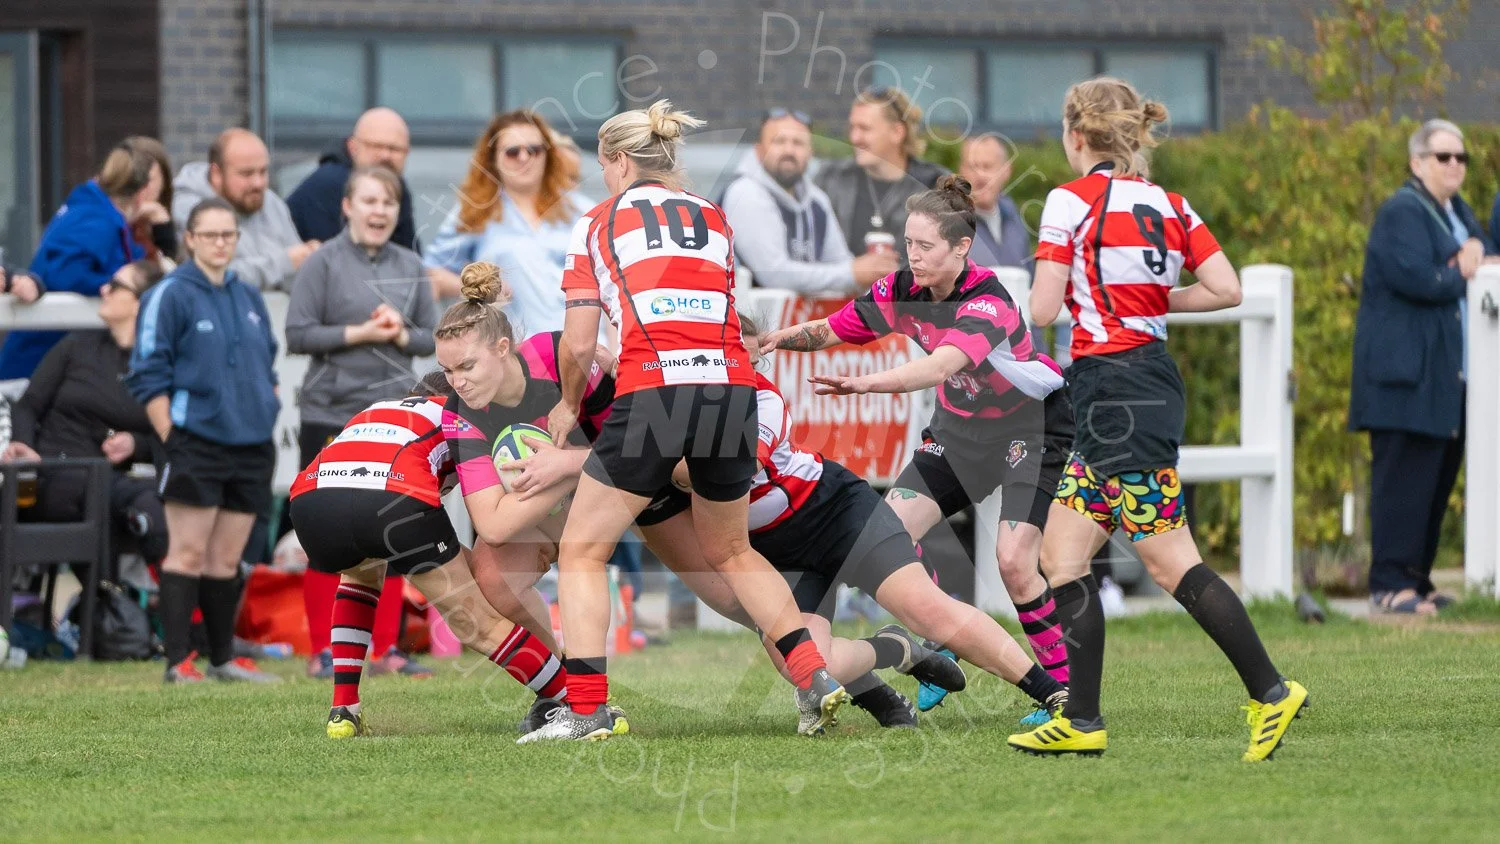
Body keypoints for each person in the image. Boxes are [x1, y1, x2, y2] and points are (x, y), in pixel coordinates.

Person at [438, 268, 930, 730]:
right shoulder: (460, 413)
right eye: (447, 371)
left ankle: (884, 658)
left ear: (505, 349)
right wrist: (570, 475)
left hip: (646, 484)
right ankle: (565, 694)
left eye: (466, 366)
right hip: (580, 492)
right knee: (496, 576)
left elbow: (660, 449)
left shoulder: (560, 356)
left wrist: (566, 464)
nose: (456, 381)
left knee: (746, 608)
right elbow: (496, 525)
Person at [1008, 77, 1308, 761]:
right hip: (1135, 384)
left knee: (1170, 561)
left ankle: (1271, 690)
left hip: (1114, 390)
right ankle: (1082, 721)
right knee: (1062, 555)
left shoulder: (1067, 201)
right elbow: (1228, 288)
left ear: (1076, 136)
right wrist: (1147, 302)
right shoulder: (1171, 204)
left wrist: (1071, 291)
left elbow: (1046, 309)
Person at [527, 100, 844, 742]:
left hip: (656, 390)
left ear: (617, 161)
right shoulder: (714, 215)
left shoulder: (598, 220)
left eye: (604, 165)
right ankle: (816, 677)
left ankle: (586, 711)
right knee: (732, 549)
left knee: (582, 550)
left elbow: (579, 344)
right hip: (731, 391)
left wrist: (566, 403)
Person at [759, 177, 1076, 725]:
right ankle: (943, 637)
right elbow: (833, 329)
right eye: (909, 244)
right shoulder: (901, 289)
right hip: (959, 434)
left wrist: (865, 385)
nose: (914, 257)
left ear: (960, 248)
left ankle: (1065, 693)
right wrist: (773, 340)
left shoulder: (989, 299)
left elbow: (939, 367)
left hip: (1032, 429)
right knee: (888, 532)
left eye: (926, 246)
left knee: (1014, 564)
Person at [655, 313, 1067, 731]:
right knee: (810, 666)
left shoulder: (764, 401)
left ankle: (1053, 694)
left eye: (747, 360)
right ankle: (896, 649)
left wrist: (664, 462)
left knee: (927, 609)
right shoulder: (675, 402)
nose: (737, 370)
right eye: (726, 357)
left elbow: (733, 470)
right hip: (779, 553)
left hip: (836, 513)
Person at [290, 372, 575, 738]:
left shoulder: (378, 408)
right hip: (393, 498)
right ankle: (578, 701)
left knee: (360, 574)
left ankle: (343, 711)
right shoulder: (462, 418)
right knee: (476, 623)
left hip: (311, 503)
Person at [285, 166, 439, 679]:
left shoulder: (411, 264)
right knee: (325, 534)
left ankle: (389, 649)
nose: (379, 212)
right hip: (329, 412)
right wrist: (361, 331)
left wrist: (399, 336)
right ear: (347, 206)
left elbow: (431, 339)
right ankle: (321, 651)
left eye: (388, 203)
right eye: (369, 201)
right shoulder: (322, 263)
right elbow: (298, 334)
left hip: (393, 417)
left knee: (393, 531)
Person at [127, 197, 281, 684]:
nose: (221, 243)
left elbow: (267, 363)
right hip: (196, 442)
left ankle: (221, 660)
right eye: (210, 234)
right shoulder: (169, 294)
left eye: (228, 235)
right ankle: (177, 662)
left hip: (251, 443)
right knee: (188, 553)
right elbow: (148, 374)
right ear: (190, 238)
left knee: (226, 559)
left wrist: (267, 406)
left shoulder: (248, 295)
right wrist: (173, 436)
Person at [1351, 119, 1495, 615]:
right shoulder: (1401, 211)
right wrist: (1465, 262)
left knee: (1434, 480)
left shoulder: (1454, 211)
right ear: (1417, 162)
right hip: (1403, 379)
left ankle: (1418, 580)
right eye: (1443, 157)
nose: (1455, 165)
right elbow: (1424, 281)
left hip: (1442, 378)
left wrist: (1471, 255)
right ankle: (1389, 585)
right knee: (1403, 482)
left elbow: (1485, 257)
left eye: (1461, 158)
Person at [3, 260, 169, 566]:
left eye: (116, 285)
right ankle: (108, 603)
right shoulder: (78, 344)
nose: (103, 289)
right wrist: (23, 445)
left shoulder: (159, 365)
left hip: (111, 483)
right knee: (123, 498)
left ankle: (120, 604)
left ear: (140, 304)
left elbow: (168, 439)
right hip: (51, 474)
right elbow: (28, 406)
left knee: (153, 505)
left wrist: (135, 444)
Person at [0, 139, 163, 380]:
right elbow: (63, 275)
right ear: (141, 194)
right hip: (38, 360)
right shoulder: (99, 221)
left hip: (44, 356)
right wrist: (117, 287)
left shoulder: (88, 207)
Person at [424, 110, 590, 331]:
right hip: (513, 351)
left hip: (585, 348)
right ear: (492, 159)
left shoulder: (581, 210)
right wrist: (479, 287)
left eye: (534, 150)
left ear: (548, 155)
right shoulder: (474, 211)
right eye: (513, 152)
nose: (524, 158)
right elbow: (431, 275)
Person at [721, 108, 896, 295]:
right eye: (778, 141)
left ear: (810, 152)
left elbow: (840, 262)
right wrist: (852, 273)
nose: (789, 150)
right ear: (758, 150)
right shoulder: (746, 193)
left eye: (798, 143)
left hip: (800, 321)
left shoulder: (817, 201)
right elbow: (773, 274)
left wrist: (869, 273)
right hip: (749, 321)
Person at [172, 128, 318, 292]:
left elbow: (300, 269)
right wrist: (283, 263)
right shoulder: (191, 209)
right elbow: (212, 276)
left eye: (263, 172)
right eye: (246, 174)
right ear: (216, 174)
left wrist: (311, 257)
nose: (258, 183)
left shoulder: (269, 201)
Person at [816, 87, 948, 265]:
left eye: (864, 128)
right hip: (844, 292)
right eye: (852, 127)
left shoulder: (934, 185)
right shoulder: (830, 179)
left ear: (897, 132)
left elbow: (946, 258)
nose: (855, 138)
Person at [285, 107, 420, 252]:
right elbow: (338, 262)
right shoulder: (329, 184)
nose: (385, 155)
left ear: (407, 152)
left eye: (394, 149)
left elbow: (410, 254)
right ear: (352, 147)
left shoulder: (397, 186)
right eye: (376, 146)